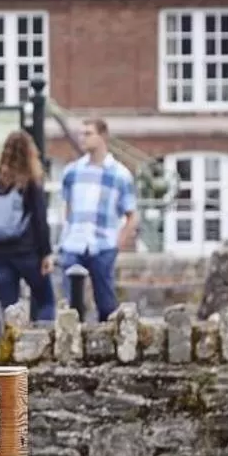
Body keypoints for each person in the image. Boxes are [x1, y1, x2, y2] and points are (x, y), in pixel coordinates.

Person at [57, 117, 139, 319]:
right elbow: (67, 207)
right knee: (71, 305)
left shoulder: (120, 175)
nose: (82, 138)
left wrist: (117, 243)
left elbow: (132, 215)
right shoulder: (72, 172)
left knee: (106, 303)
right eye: (81, 133)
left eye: (88, 134)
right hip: (74, 244)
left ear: (102, 136)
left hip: (103, 245)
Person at [0, 131, 56, 321]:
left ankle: (12, 346)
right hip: (27, 252)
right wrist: (46, 253)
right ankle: (42, 344)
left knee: (9, 307)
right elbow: (39, 220)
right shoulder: (29, 182)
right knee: (45, 300)